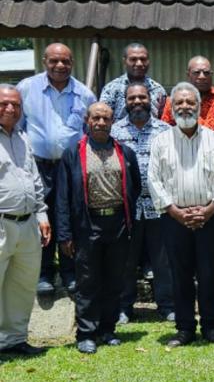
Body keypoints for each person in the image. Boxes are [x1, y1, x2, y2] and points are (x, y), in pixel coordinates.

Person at [148, 83, 214, 346]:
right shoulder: (161, 141)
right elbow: (154, 180)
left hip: (210, 219)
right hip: (175, 220)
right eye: (179, 103)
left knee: (209, 274)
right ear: (171, 108)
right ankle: (185, 328)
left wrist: (209, 210)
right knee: (180, 274)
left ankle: (211, 327)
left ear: (199, 107)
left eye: (190, 103)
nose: (185, 106)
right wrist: (175, 212)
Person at [56, 102, 141, 353]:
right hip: (86, 224)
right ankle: (86, 333)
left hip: (117, 224)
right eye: (96, 118)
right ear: (87, 120)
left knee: (114, 280)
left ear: (113, 121)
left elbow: (134, 188)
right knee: (87, 281)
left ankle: (108, 329)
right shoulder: (73, 153)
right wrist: (65, 234)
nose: (101, 123)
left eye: (106, 118)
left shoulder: (125, 153)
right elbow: (62, 197)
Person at [17, 42, 96, 295]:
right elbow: (17, 128)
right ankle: (44, 273)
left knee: (71, 218)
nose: (60, 66)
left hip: (71, 165)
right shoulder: (27, 89)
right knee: (42, 217)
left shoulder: (84, 95)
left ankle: (70, 272)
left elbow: (88, 134)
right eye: (54, 61)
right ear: (44, 62)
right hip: (37, 165)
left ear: (73, 63)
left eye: (65, 61)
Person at [110, 83, 174, 323]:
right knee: (126, 261)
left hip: (159, 206)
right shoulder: (115, 131)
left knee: (163, 260)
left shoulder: (165, 130)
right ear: (125, 102)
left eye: (142, 97)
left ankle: (167, 306)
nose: (137, 101)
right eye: (132, 98)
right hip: (127, 208)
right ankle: (124, 307)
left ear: (151, 100)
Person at [0, 84, 51, 356]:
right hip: (1, 223)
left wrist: (42, 213)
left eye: (16, 105)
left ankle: (14, 339)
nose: (10, 108)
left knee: (22, 285)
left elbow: (34, 180)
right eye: (4, 103)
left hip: (28, 223)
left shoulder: (22, 138)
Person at [162, 56, 214, 138]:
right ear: (188, 74)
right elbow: (166, 129)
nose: (202, 77)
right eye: (196, 72)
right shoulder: (174, 101)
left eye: (206, 73)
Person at [100, 43, 167, 121]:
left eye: (143, 59)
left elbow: (163, 120)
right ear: (124, 61)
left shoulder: (158, 90)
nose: (139, 63)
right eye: (133, 59)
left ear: (148, 61)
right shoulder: (111, 89)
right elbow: (103, 118)